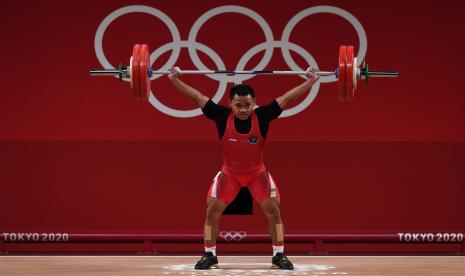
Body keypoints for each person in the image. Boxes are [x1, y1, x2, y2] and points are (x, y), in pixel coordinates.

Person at [168, 67, 319, 270]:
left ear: (254, 102)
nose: (243, 109)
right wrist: (174, 79)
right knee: (212, 210)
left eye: (247, 105)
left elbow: (287, 97)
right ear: (230, 104)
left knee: (273, 210)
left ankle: (279, 254)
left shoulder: (263, 116)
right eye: (238, 105)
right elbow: (196, 96)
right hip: (230, 173)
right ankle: (209, 254)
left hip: (256, 173)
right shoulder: (221, 116)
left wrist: (310, 81)